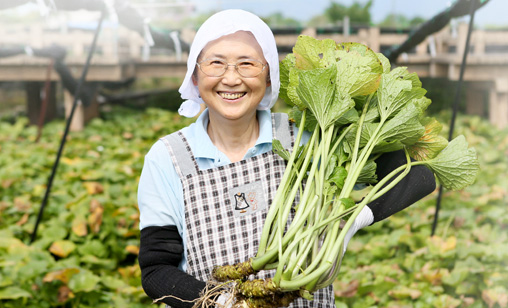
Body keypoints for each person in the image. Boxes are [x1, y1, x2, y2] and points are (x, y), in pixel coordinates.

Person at [137, 9, 436, 308]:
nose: (231, 78)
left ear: (269, 75)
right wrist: (225, 303)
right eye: (216, 63)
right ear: (194, 73)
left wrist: (352, 219)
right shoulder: (168, 158)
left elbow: (418, 174)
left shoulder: (312, 133)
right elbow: (156, 270)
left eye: (247, 64)